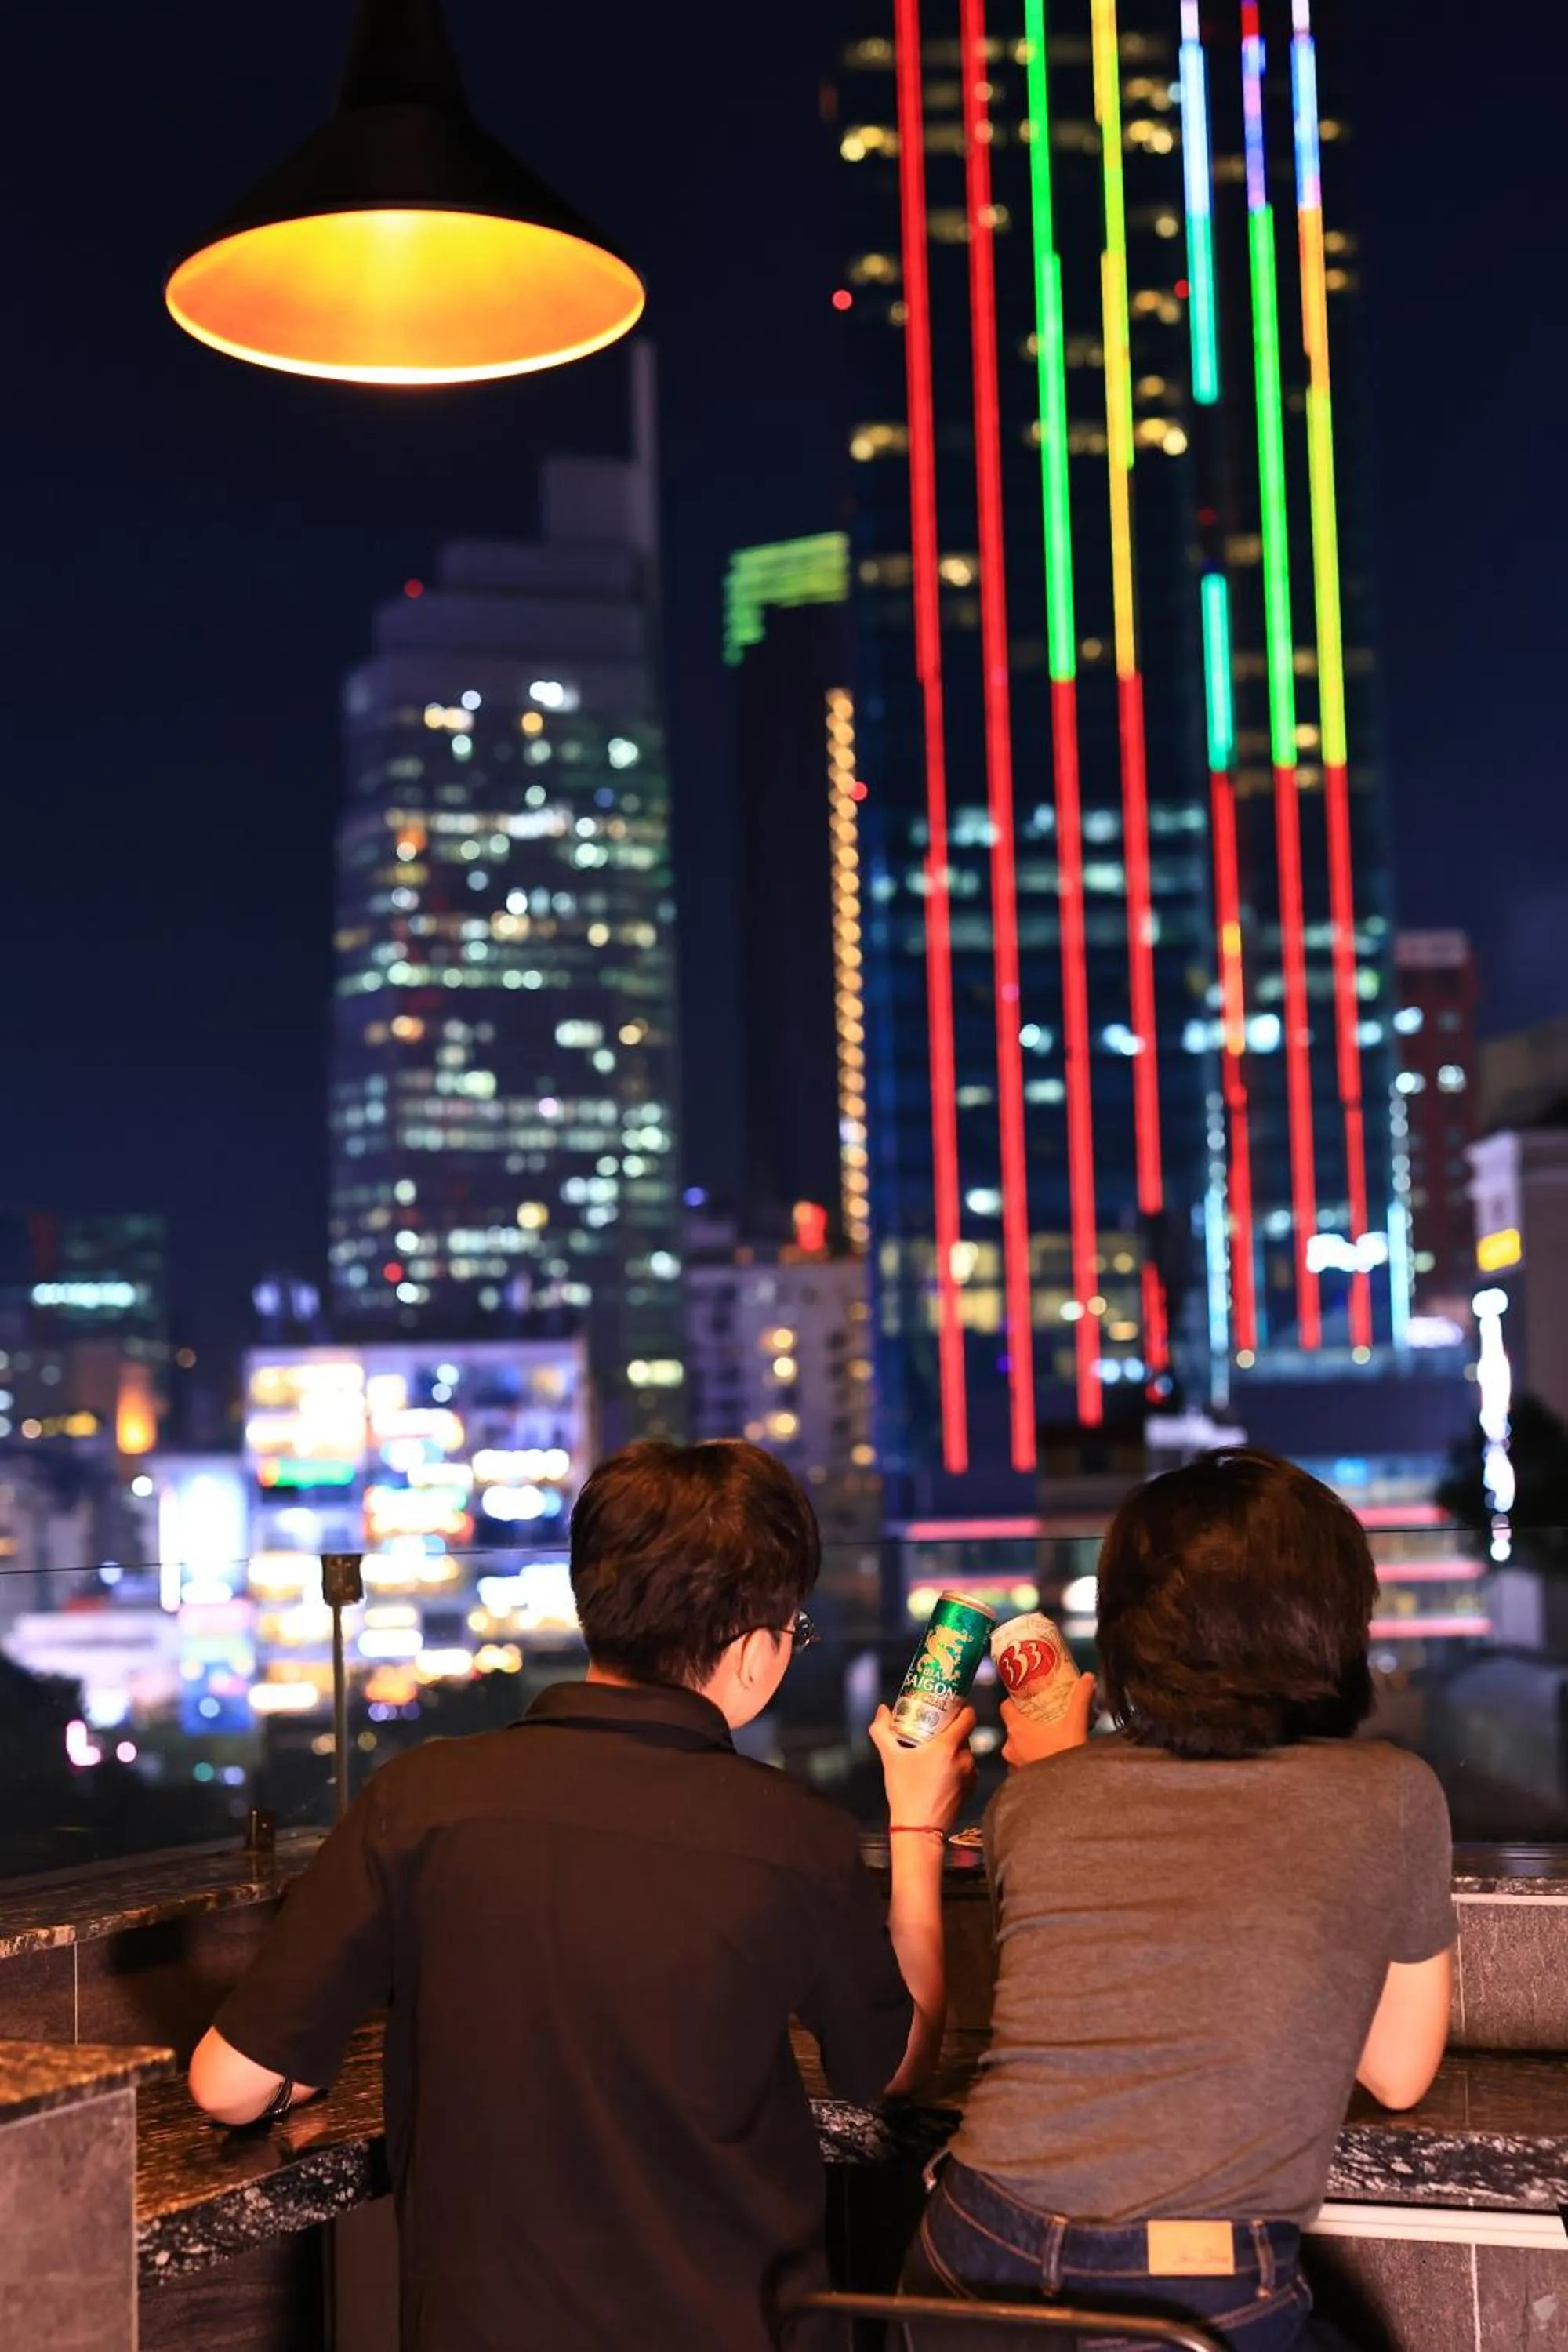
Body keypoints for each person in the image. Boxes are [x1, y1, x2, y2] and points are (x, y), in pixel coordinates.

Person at [189, 1438, 974, 2352]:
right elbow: (892, 2068)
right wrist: (916, 1827)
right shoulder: (791, 1835)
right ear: (753, 1650)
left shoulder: (418, 1799)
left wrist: (300, 2064)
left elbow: (226, 2085)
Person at [903, 1448, 1454, 2351]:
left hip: (965, 2259)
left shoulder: (1034, 1800)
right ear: (1331, 1624)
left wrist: (1058, 1766)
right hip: (1182, 2293)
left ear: (1127, 1630)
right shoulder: (1390, 1794)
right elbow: (1397, 2074)